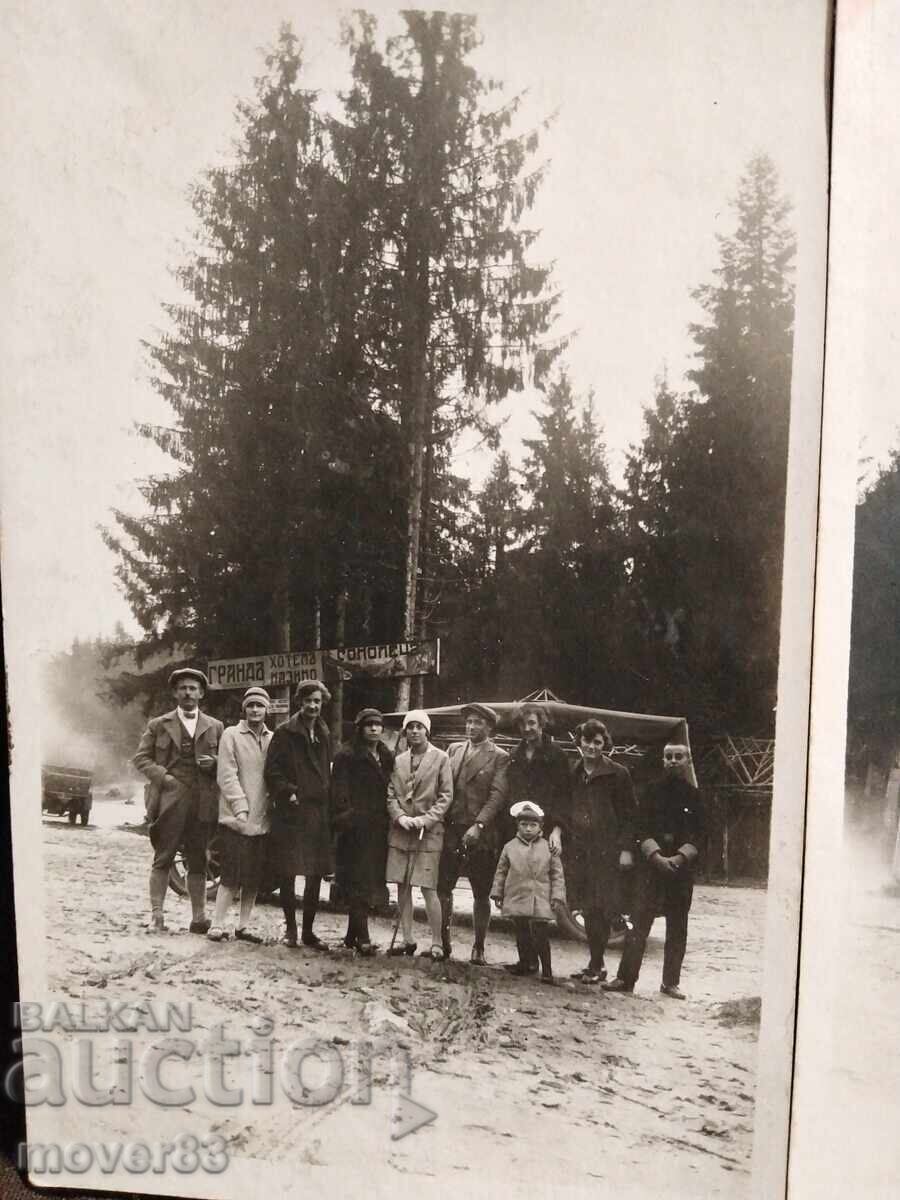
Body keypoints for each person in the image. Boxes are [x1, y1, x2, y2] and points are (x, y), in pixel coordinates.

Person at [604, 742, 703, 999]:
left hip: (681, 871)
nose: (672, 760)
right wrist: (656, 856)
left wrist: (680, 858)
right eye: (668, 756)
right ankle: (625, 979)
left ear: (687, 760)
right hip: (651, 869)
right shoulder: (650, 792)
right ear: (663, 760)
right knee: (639, 924)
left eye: (678, 756)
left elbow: (702, 834)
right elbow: (640, 827)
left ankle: (670, 983)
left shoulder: (696, 796)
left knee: (678, 926)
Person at [133, 668, 224, 934]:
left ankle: (198, 918)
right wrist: (165, 778)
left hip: (202, 801)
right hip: (170, 799)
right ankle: (157, 916)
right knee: (163, 857)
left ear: (201, 693)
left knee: (198, 859)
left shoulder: (215, 726)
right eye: (182, 688)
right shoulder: (158, 724)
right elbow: (141, 758)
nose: (188, 693)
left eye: (193, 688)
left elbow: (229, 763)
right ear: (175, 693)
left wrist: (215, 763)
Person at [564, 719, 636, 984]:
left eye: (597, 742)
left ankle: (597, 964)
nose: (591, 747)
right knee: (584, 906)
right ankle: (595, 964)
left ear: (605, 744)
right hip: (580, 850)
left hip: (607, 851)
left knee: (601, 907)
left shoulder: (618, 773)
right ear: (579, 742)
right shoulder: (574, 771)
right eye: (587, 741)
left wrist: (626, 849)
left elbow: (630, 815)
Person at [437, 702, 509, 964]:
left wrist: (479, 825)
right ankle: (442, 943)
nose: (471, 727)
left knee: (481, 892)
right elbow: (443, 785)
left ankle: (478, 947)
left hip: (481, 834)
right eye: (469, 721)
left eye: (478, 722)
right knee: (443, 887)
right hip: (452, 830)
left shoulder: (499, 756)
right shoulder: (454, 749)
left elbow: (497, 795)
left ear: (489, 727)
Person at [264, 680, 334, 950]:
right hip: (292, 812)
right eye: (308, 701)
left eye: (317, 701)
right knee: (289, 872)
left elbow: (327, 770)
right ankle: (290, 930)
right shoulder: (284, 732)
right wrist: (289, 792)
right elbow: (272, 771)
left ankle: (308, 931)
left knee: (315, 873)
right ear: (299, 702)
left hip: (317, 812)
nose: (313, 706)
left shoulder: (324, 732)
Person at [207, 686, 273, 944]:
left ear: (267, 709)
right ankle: (217, 923)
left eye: (260, 705)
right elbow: (226, 774)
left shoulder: (272, 738)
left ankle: (243, 926)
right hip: (236, 819)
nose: (255, 710)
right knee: (231, 874)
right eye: (251, 705)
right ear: (244, 708)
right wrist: (240, 806)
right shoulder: (231, 735)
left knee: (254, 877)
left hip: (263, 818)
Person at [386, 710, 453, 960]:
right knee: (402, 886)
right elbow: (391, 793)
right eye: (410, 727)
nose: (414, 731)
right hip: (401, 831)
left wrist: (425, 819)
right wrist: (400, 817)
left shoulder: (441, 758)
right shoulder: (399, 760)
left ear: (427, 730)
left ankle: (436, 943)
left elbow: (446, 795)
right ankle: (408, 940)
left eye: (419, 727)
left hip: (428, 832)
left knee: (428, 888)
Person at [331, 708, 394, 955]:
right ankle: (363, 937)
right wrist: (348, 817)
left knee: (368, 879)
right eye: (368, 725)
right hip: (355, 829)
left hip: (378, 827)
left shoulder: (385, 755)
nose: (374, 729)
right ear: (360, 728)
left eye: (378, 725)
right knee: (357, 880)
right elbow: (339, 791)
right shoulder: (347, 755)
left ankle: (350, 935)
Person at [490, 801, 566, 985]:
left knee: (541, 933)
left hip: (540, 897)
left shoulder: (549, 847)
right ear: (518, 826)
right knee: (521, 931)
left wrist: (557, 896)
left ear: (540, 827)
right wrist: (497, 893)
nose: (528, 829)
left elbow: (557, 874)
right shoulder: (509, 847)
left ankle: (546, 970)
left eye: (533, 825)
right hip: (517, 895)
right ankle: (526, 963)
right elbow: (501, 871)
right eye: (524, 825)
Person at [506, 703, 571, 858]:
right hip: (520, 828)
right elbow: (512, 792)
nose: (527, 728)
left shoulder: (557, 754)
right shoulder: (515, 754)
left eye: (531, 723)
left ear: (541, 723)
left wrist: (557, 831)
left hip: (547, 828)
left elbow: (564, 796)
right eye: (522, 724)